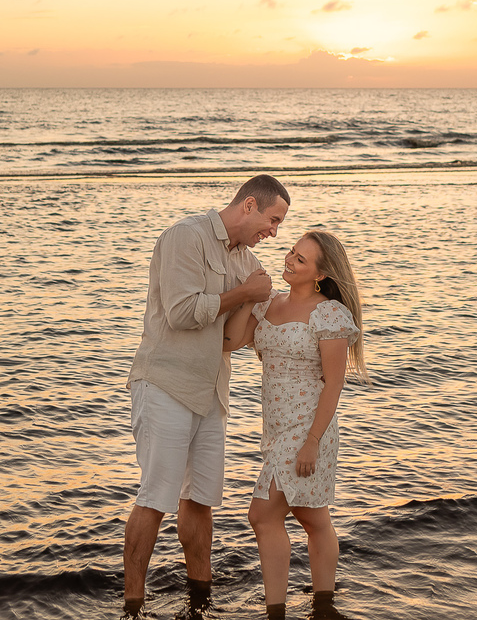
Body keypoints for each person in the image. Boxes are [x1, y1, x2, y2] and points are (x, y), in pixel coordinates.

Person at [122, 174, 291, 618]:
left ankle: (201, 599)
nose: (274, 232)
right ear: (249, 205)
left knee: (200, 500)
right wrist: (245, 293)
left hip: (211, 391)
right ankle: (131, 606)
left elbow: (239, 332)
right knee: (156, 496)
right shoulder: (186, 236)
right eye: (273, 220)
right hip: (165, 383)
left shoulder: (247, 261)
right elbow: (181, 313)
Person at [222, 230, 368, 620]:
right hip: (275, 426)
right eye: (291, 251)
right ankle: (323, 604)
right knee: (311, 515)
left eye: (301, 260)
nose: (289, 260)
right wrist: (250, 296)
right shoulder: (270, 303)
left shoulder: (329, 314)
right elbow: (231, 340)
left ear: (320, 274)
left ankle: (276, 611)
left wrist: (312, 442)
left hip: (308, 428)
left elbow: (334, 382)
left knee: (262, 515)